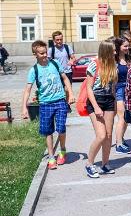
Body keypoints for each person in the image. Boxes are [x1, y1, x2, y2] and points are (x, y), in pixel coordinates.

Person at [21, 40, 75, 170]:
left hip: (60, 101)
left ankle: (62, 150)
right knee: (48, 131)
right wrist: (24, 108)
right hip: (45, 104)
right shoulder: (34, 70)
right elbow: (27, 90)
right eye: (41, 53)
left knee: (61, 128)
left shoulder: (55, 63)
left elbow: (65, 78)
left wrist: (71, 94)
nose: (45, 55)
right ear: (35, 54)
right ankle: (51, 157)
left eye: (45, 52)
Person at [84, 40, 118, 178]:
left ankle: (105, 164)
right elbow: (89, 88)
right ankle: (89, 164)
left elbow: (113, 87)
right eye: (113, 50)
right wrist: (96, 107)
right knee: (101, 135)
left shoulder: (113, 64)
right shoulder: (94, 64)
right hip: (95, 101)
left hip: (109, 100)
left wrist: (115, 105)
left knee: (109, 135)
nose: (115, 52)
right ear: (106, 51)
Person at [113, 38, 131, 154]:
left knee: (126, 118)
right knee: (121, 117)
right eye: (125, 46)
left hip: (129, 90)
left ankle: (121, 139)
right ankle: (118, 144)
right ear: (119, 46)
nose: (127, 48)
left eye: (128, 46)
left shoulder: (129, 58)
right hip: (119, 89)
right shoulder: (114, 60)